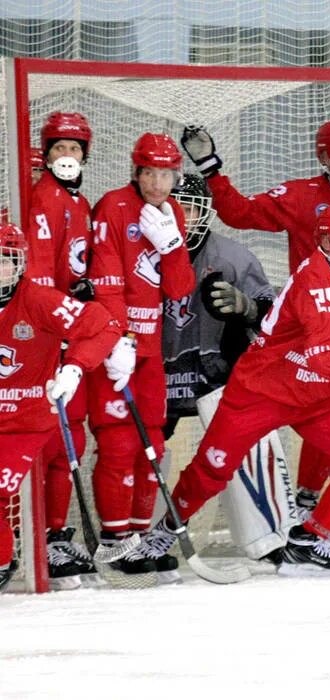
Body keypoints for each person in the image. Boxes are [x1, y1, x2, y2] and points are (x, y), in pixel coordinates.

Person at [180, 120, 330, 539]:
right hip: (310, 332)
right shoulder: (301, 197)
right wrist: (212, 169)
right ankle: (307, 501)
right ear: (327, 157)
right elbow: (239, 212)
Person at [148, 204, 330, 574]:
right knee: (212, 469)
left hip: (315, 396)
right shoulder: (316, 280)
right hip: (261, 391)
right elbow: (322, 356)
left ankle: (308, 541)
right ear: (328, 242)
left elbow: (320, 336)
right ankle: (165, 531)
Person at [85, 133, 195, 583]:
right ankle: (115, 542)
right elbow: (106, 279)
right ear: (136, 171)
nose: (157, 182)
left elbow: (179, 289)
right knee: (117, 444)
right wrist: (119, 336)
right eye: (149, 172)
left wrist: (171, 247)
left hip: (151, 350)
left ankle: (137, 536)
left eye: (166, 173)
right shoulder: (112, 206)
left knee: (153, 445)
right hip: (115, 345)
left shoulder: (175, 212)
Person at [161, 174, 287, 564]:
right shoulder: (140, 252)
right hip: (157, 374)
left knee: (248, 443)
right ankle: (142, 536)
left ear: (205, 213)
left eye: (189, 207)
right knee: (137, 450)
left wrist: (247, 307)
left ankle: (270, 538)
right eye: (174, 206)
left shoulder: (232, 257)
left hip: (219, 370)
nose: (182, 216)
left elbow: (273, 315)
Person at [0, 223, 122, 592]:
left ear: (19, 264)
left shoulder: (38, 300)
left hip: (24, 422)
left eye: (6, 260)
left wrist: (74, 367)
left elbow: (104, 325)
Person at [24, 112, 98, 586]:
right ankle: (40, 541)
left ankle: (53, 535)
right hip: (46, 332)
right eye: (58, 149)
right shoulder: (45, 199)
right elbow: (39, 277)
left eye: (74, 149)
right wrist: (64, 315)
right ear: (45, 154)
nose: (66, 157)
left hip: (66, 326)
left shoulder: (80, 201)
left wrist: (82, 292)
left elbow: (71, 269)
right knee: (48, 441)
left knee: (65, 437)